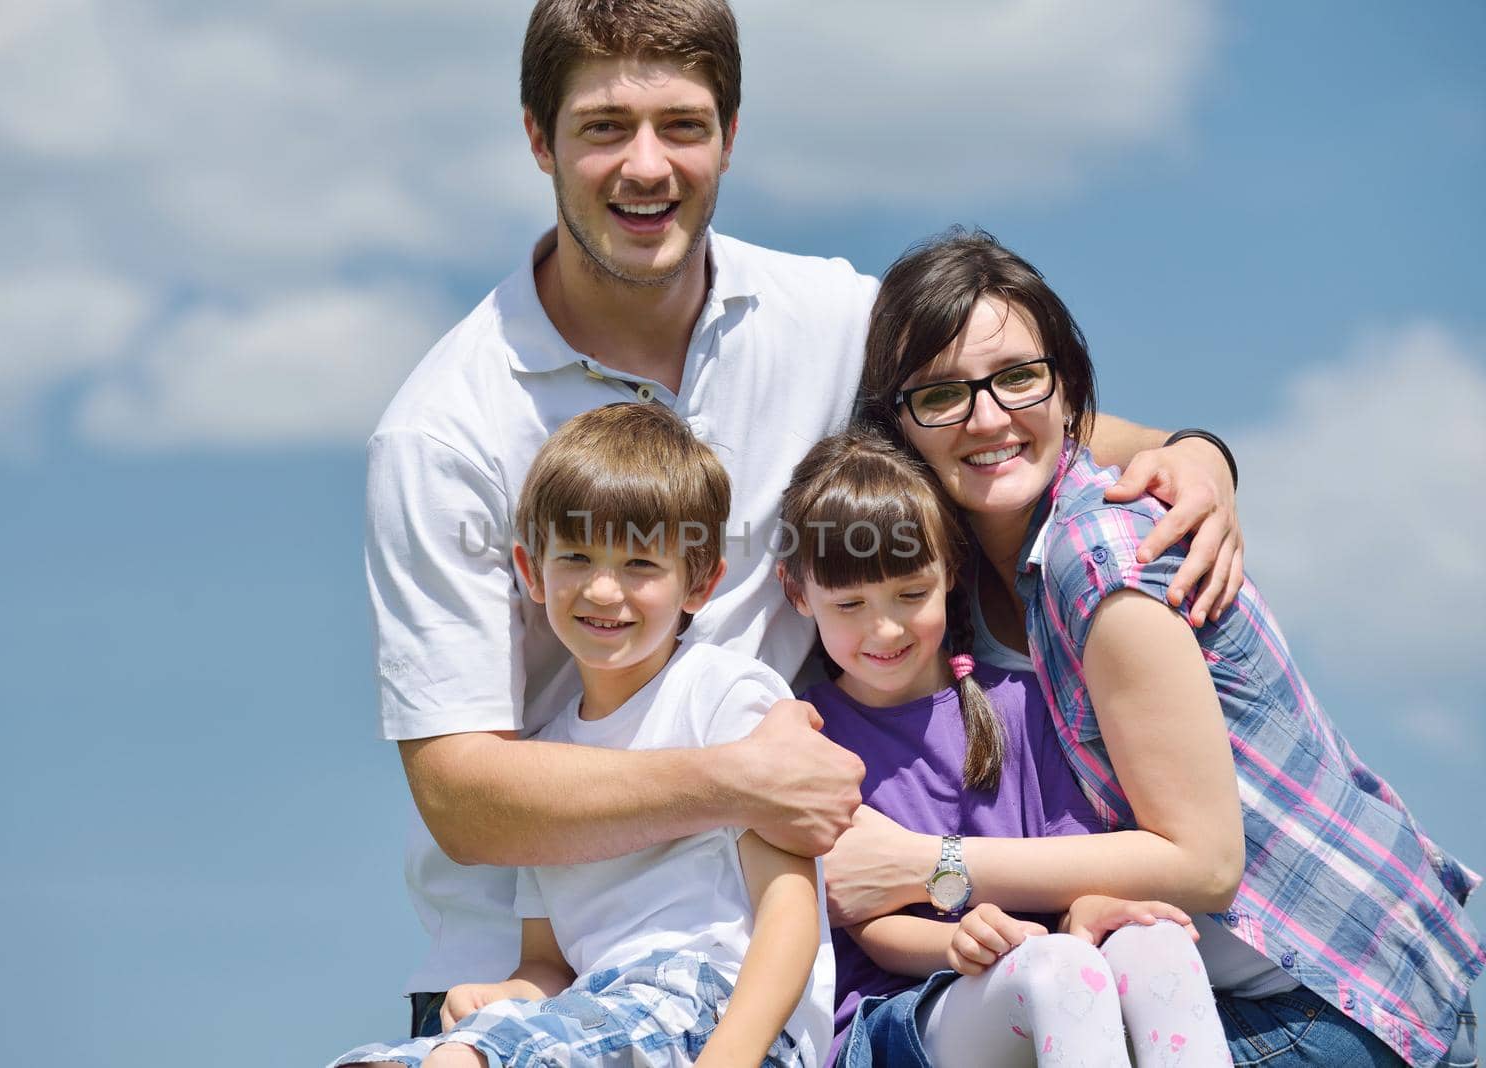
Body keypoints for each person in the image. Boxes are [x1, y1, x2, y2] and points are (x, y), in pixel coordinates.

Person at [365, 0, 1247, 1042]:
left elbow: (1005, 417)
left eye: (682, 126)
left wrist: (1192, 455)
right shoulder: (445, 431)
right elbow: (464, 799)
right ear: (536, 135)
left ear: (730, 137)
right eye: (604, 125)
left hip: (773, 972)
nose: (646, 165)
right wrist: (739, 781)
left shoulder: (823, 318)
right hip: (534, 982)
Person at [829, 226, 1482, 1067]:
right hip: (1199, 974)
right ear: (900, 425)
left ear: (1068, 388)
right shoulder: (943, 580)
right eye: (942, 395)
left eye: (1018, 378)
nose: (987, 416)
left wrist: (932, 866)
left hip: (1326, 995)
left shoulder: (1097, 556)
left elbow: (1203, 862)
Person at [336, 404, 831, 1067]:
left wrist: (730, 1058)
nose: (603, 589)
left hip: (722, 1010)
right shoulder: (550, 764)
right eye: (576, 555)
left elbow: (790, 911)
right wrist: (504, 996)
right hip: (601, 1010)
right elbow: (547, 963)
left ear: (701, 581)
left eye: (639, 564)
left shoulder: (726, 695)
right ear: (532, 571)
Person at [776, 429, 1231, 1067]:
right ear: (798, 593)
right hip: (896, 1014)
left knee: (1155, 944)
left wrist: (1092, 908)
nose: (883, 628)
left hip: (1041, 964)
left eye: (910, 594)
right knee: (1054, 971)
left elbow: (1075, 858)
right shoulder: (811, 737)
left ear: (949, 575)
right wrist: (959, 941)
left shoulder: (1019, 704)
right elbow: (866, 921)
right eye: (849, 603)